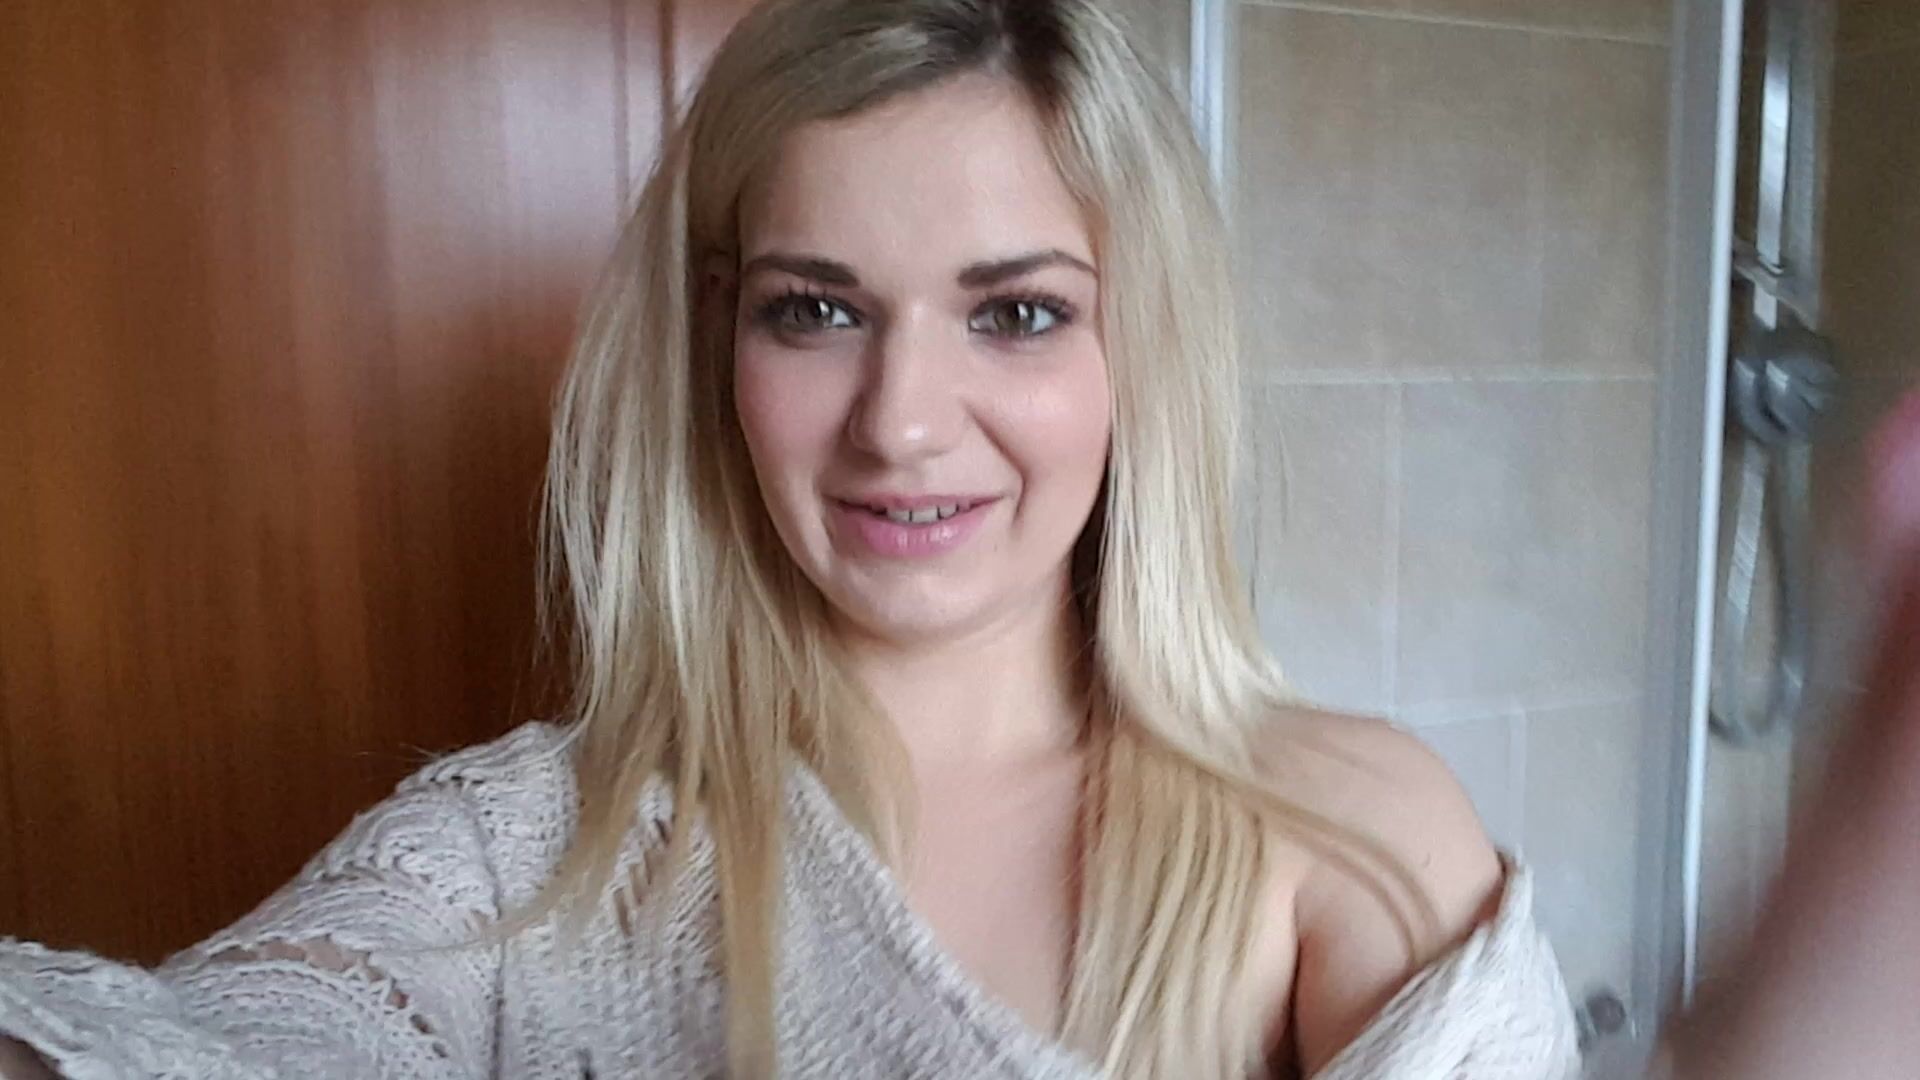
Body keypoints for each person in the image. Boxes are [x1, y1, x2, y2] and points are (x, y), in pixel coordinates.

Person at [0, 1, 1912, 1077]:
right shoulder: (530, 848)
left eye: (1016, 311)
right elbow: (215, 1046)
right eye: (816, 309)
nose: (902, 421)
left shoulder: (1339, 837)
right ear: (718, 347)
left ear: (1137, 349)